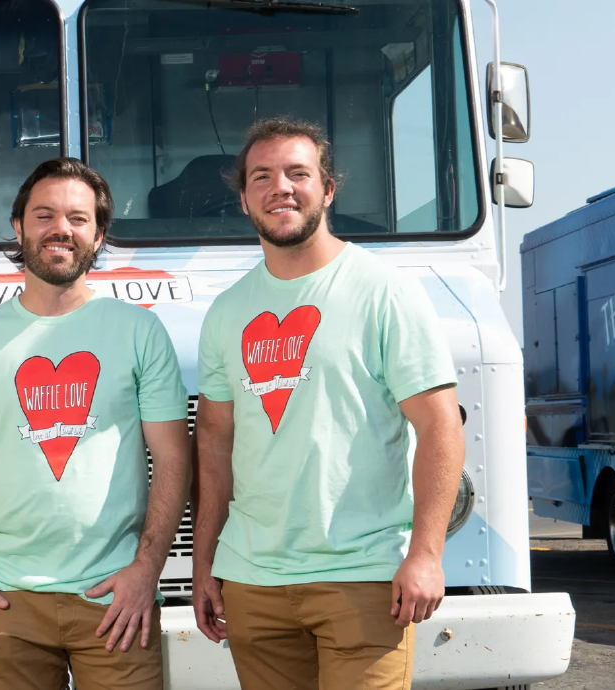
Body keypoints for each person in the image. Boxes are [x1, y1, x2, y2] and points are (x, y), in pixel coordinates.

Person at [192, 117, 466, 690]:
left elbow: (440, 428)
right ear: (244, 199)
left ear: (328, 188)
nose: (280, 188)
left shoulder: (385, 291)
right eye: (262, 177)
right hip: (253, 580)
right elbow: (215, 444)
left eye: (298, 173)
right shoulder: (226, 311)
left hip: (363, 576)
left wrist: (426, 554)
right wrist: (206, 564)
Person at [0, 158, 192, 690]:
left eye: (78, 217)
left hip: (117, 598)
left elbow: (174, 457)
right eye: (44, 214)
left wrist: (147, 570)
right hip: (5, 601)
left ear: (98, 235)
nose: (61, 229)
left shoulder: (140, 330)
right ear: (18, 227)